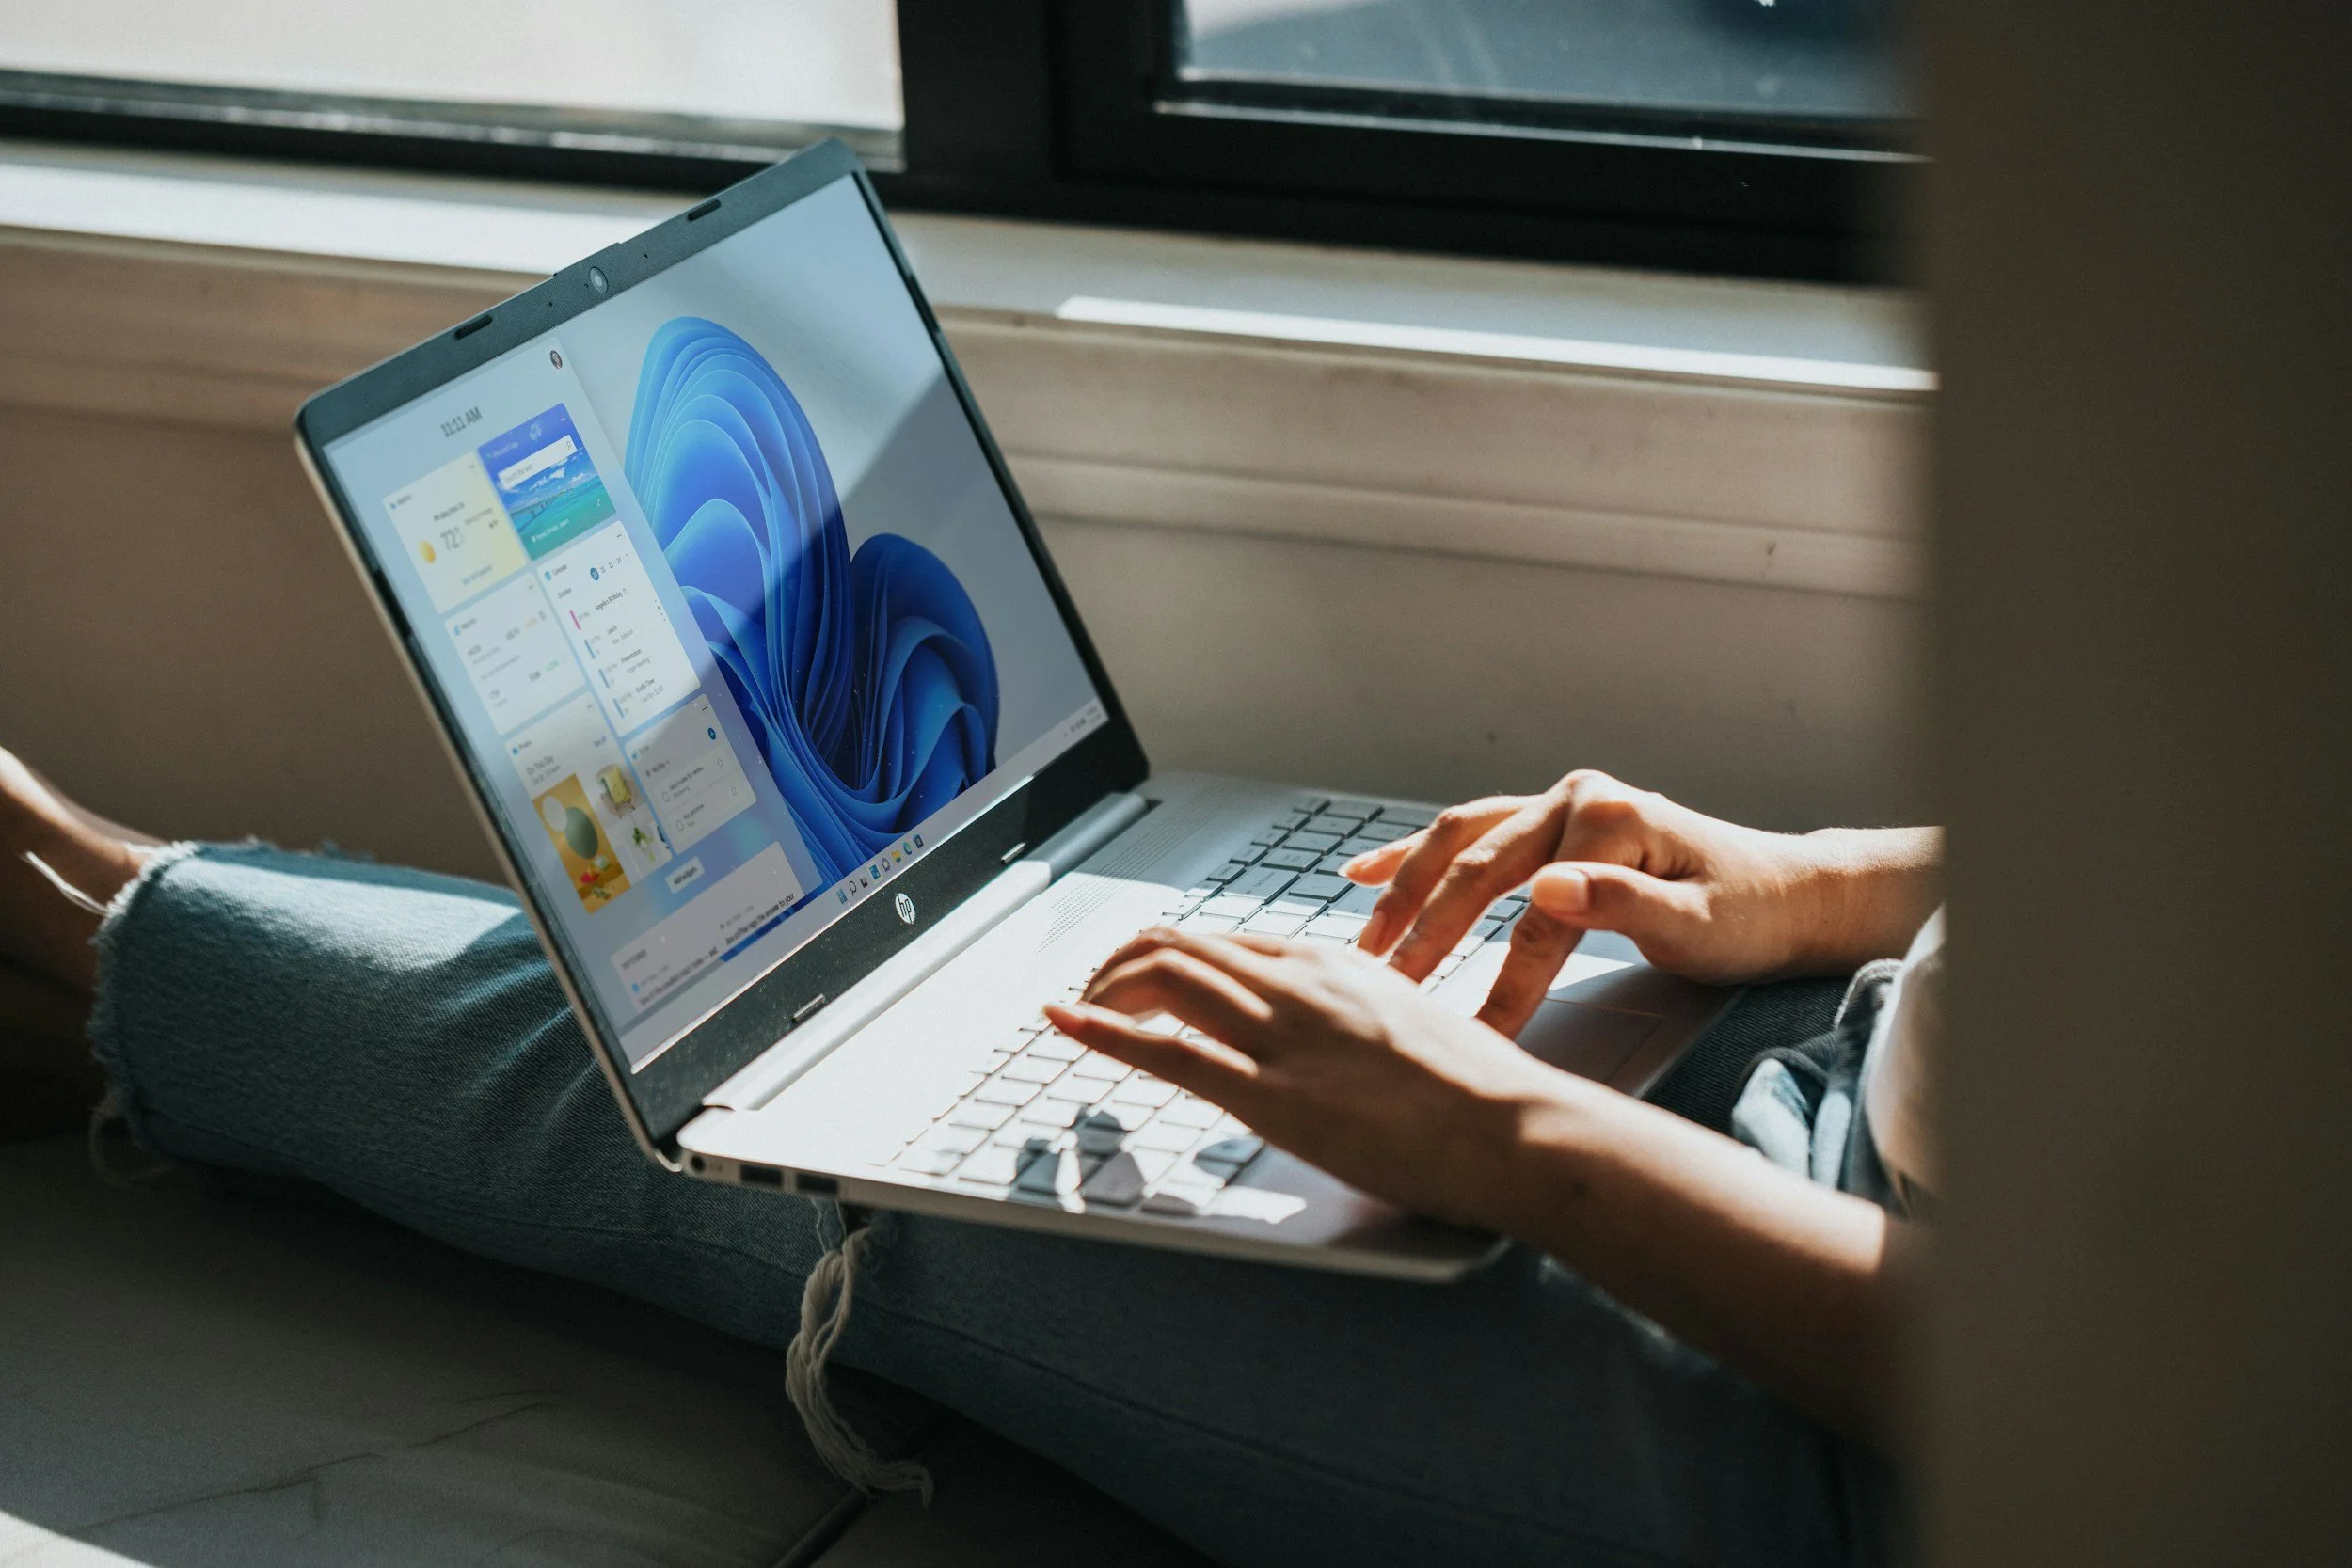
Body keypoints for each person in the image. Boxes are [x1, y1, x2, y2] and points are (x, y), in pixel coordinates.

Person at [0, 745, 1940, 1568]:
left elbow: (2116, 1404)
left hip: (1837, 1421)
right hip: (1840, 1062)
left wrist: (1503, 1129)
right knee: (887, 992)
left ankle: (68, 908)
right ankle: (96, 921)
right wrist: (1815, 888)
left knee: (738, 1108)